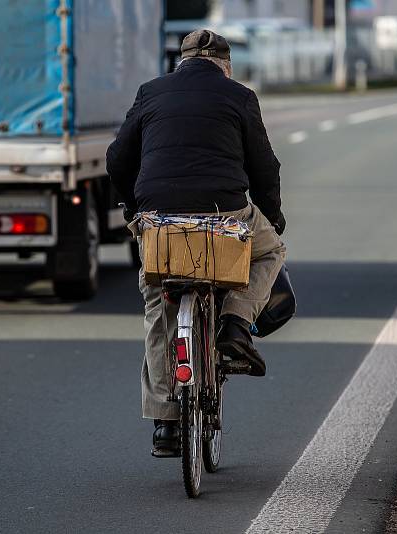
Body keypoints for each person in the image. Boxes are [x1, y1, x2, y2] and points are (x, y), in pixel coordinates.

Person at [106, 30, 286, 457]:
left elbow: (117, 158)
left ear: (181, 62)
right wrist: (271, 216)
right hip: (223, 214)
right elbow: (265, 165)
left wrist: (133, 206)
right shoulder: (239, 96)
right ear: (224, 64)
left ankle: (166, 424)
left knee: (157, 303)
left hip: (161, 217)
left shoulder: (150, 93)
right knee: (270, 249)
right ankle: (236, 324)